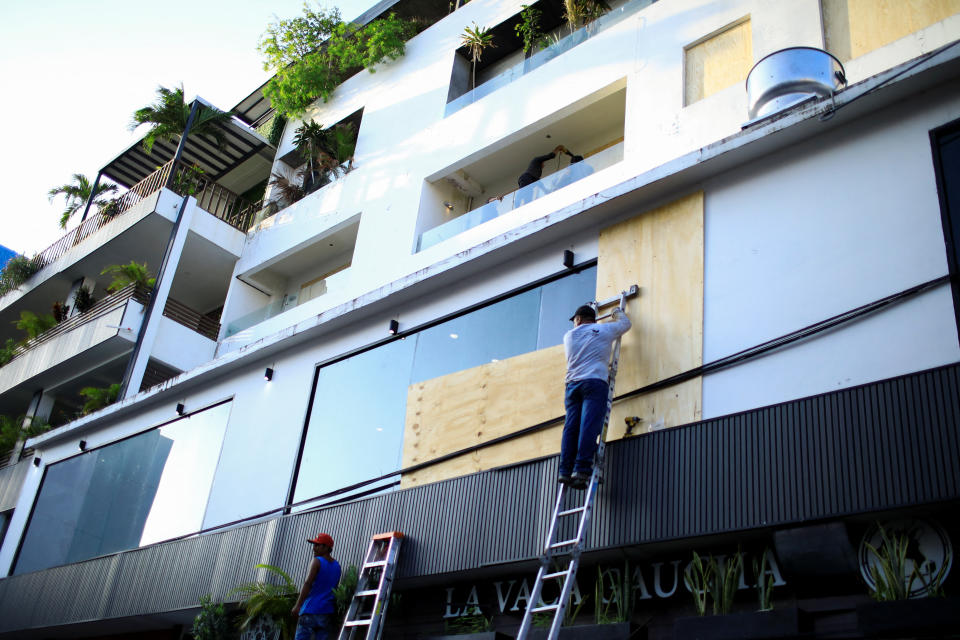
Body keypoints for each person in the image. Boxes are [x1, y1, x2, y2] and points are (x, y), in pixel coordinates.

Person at [560, 303, 631, 489]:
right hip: (594, 382)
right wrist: (616, 312)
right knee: (589, 425)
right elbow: (625, 324)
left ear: (578, 319)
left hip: (572, 386)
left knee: (571, 428)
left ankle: (564, 471)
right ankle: (582, 468)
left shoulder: (569, 336)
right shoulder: (603, 331)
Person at [292, 532, 342, 640]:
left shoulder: (317, 562)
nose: (314, 548)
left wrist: (298, 605)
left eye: (317, 545)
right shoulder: (337, 566)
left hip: (310, 610)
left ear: (326, 547)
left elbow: (308, 583)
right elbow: (335, 590)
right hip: (326, 613)